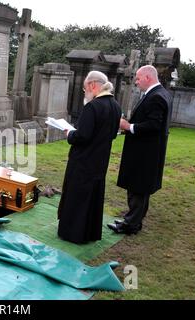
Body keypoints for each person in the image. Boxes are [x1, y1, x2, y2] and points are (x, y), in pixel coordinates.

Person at [57, 71, 122, 244]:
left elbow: (83, 136)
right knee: (93, 196)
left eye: (85, 88)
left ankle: (73, 234)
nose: (84, 92)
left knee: (78, 196)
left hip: (83, 160)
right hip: (100, 160)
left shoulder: (92, 106)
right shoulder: (115, 105)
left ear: (93, 85)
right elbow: (113, 135)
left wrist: (70, 133)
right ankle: (90, 233)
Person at [108, 65, 172, 235]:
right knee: (140, 189)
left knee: (137, 188)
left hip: (145, 153)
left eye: (138, 78)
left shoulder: (156, 97)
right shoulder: (160, 93)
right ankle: (134, 222)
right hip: (148, 151)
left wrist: (129, 126)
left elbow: (154, 125)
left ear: (147, 78)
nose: (136, 82)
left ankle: (130, 225)